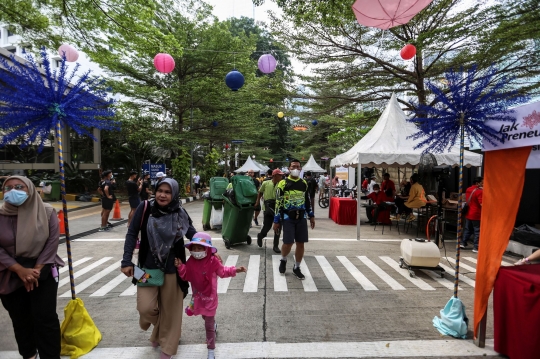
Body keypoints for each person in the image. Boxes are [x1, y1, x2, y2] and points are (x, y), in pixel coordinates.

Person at [121, 178, 196, 359]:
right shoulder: (145, 208)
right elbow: (132, 233)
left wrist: (209, 250)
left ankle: (168, 347)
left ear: (174, 194)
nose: (163, 195)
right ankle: (160, 332)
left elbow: (192, 234)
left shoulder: (180, 212)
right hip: (145, 268)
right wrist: (126, 261)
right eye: (160, 190)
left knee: (171, 312)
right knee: (145, 308)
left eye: (168, 192)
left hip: (174, 268)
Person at [0, 176, 64, 359]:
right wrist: (19, 270)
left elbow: (52, 242)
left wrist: (35, 270)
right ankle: (28, 354)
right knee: (19, 318)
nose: (13, 191)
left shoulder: (47, 212)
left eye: (19, 187)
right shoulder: (1, 214)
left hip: (42, 269)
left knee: (45, 317)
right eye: (8, 188)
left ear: (29, 189)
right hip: (9, 271)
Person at [175, 233, 246, 359]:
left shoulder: (213, 261)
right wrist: (180, 266)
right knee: (205, 317)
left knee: (208, 324)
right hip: (198, 298)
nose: (196, 251)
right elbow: (186, 275)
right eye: (194, 248)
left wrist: (236, 270)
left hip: (210, 299)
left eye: (200, 248)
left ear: (207, 249)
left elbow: (223, 272)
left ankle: (211, 351)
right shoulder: (190, 262)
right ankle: (213, 325)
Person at [273, 159, 315, 280]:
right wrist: (276, 221)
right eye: (293, 167)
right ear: (289, 168)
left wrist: (311, 215)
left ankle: (297, 267)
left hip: (301, 218)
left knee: (300, 243)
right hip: (287, 218)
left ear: (301, 169)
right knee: (288, 243)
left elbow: (307, 201)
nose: (295, 168)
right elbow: (278, 203)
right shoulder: (282, 184)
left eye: (297, 166)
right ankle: (283, 259)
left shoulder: (304, 183)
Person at [256, 169, 284, 253]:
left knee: (278, 227)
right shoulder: (265, 183)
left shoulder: (282, 184)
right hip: (267, 207)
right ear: (275, 175)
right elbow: (260, 192)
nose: (281, 176)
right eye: (280, 175)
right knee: (267, 227)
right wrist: (257, 202)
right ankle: (261, 235)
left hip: (278, 207)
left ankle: (275, 246)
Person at [461, 176, 483, 253]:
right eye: (482, 182)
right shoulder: (479, 191)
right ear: (477, 183)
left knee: (468, 229)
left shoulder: (468, 189)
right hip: (476, 214)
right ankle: (476, 247)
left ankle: (463, 243)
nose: (483, 184)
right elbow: (482, 204)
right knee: (477, 231)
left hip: (468, 213)